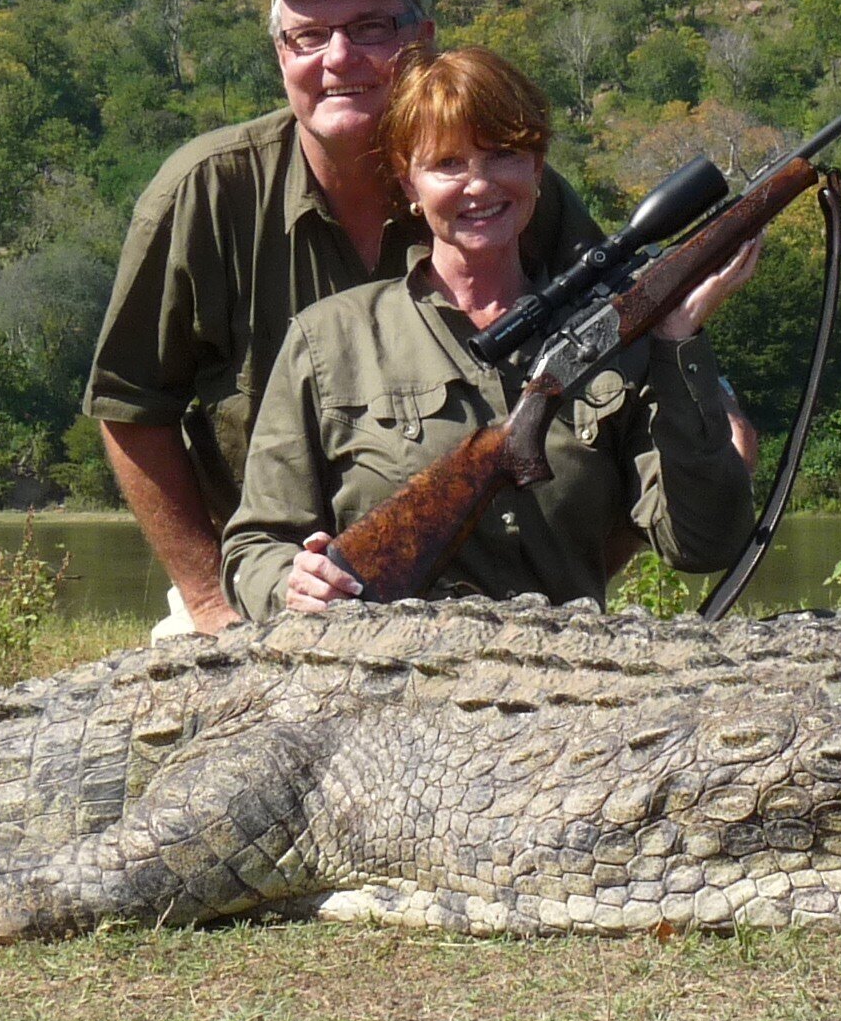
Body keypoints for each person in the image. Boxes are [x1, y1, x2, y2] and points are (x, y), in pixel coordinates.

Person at [83, 0, 603, 633]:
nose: (338, 58)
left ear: (422, 42)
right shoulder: (203, 195)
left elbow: (621, 373)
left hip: (494, 604)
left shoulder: (506, 199)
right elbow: (129, 408)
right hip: (261, 589)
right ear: (280, 53)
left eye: (370, 29)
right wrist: (211, 603)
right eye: (307, 36)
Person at [223, 48, 761, 620]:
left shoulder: (620, 345)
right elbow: (252, 549)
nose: (478, 185)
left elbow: (706, 543)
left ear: (537, 166)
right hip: (383, 682)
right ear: (409, 180)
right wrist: (293, 583)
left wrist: (680, 340)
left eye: (503, 155)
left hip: (567, 682)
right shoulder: (328, 340)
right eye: (449, 164)